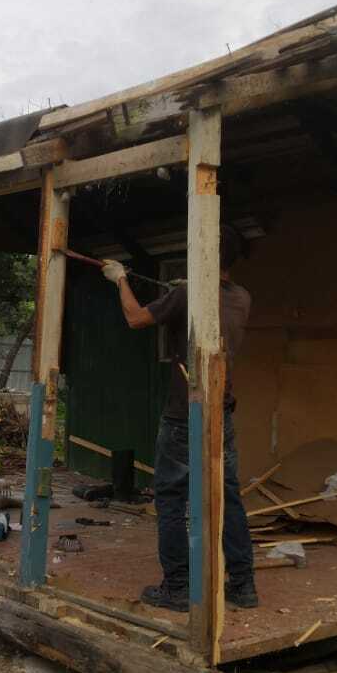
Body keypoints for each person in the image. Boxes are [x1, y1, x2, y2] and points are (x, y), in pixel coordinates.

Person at [100, 223, 258, 611]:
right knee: (229, 498)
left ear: (205, 252)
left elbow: (136, 318)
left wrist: (120, 280)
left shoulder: (188, 294)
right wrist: (185, 289)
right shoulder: (242, 297)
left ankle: (177, 588)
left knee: (171, 499)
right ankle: (243, 585)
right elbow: (209, 302)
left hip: (183, 413)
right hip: (222, 409)